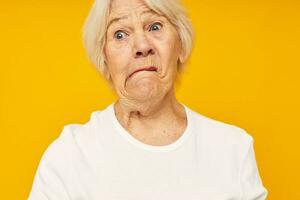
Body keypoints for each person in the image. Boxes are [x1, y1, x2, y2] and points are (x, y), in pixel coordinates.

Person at [28, 0, 268, 199]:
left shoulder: (233, 149)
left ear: (181, 45)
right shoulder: (69, 156)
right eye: (120, 34)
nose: (141, 46)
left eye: (154, 26)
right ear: (105, 61)